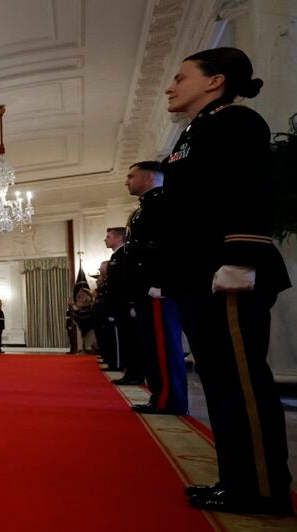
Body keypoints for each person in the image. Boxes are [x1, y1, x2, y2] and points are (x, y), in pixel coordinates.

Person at [162, 47, 292, 516]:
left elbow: (249, 192)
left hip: (227, 273)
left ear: (214, 81)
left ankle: (262, 489)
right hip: (201, 276)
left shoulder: (236, 122)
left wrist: (240, 257)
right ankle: (237, 480)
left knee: (241, 384)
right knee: (220, 385)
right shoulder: (197, 132)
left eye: (181, 77)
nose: (170, 86)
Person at [123, 161, 188, 415]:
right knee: (152, 346)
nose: (127, 181)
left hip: (158, 289)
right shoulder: (145, 208)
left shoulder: (163, 203)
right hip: (146, 289)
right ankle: (160, 396)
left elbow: (169, 245)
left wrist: (160, 283)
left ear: (149, 177)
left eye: (131, 176)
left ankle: (170, 400)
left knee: (164, 347)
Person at [105, 227, 144, 385]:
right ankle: (130, 373)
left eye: (108, 236)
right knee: (126, 341)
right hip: (119, 306)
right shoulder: (117, 255)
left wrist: (132, 303)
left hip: (126, 306)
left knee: (131, 341)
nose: (105, 239)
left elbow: (128, 280)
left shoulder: (125, 254)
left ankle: (135, 374)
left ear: (119, 238)